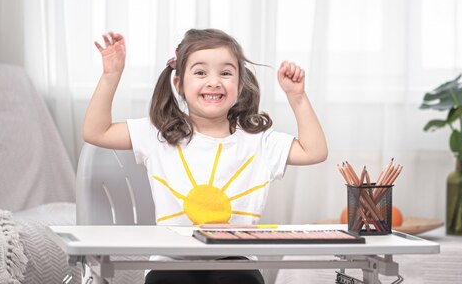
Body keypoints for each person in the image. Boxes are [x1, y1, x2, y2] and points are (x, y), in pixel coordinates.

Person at [83, 28, 328, 284]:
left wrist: (297, 98)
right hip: (171, 262)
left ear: (240, 84)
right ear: (179, 84)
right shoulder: (159, 133)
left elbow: (315, 151)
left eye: (225, 73)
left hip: (236, 263)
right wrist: (111, 75)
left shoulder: (258, 140)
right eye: (200, 72)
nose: (214, 82)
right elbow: (95, 132)